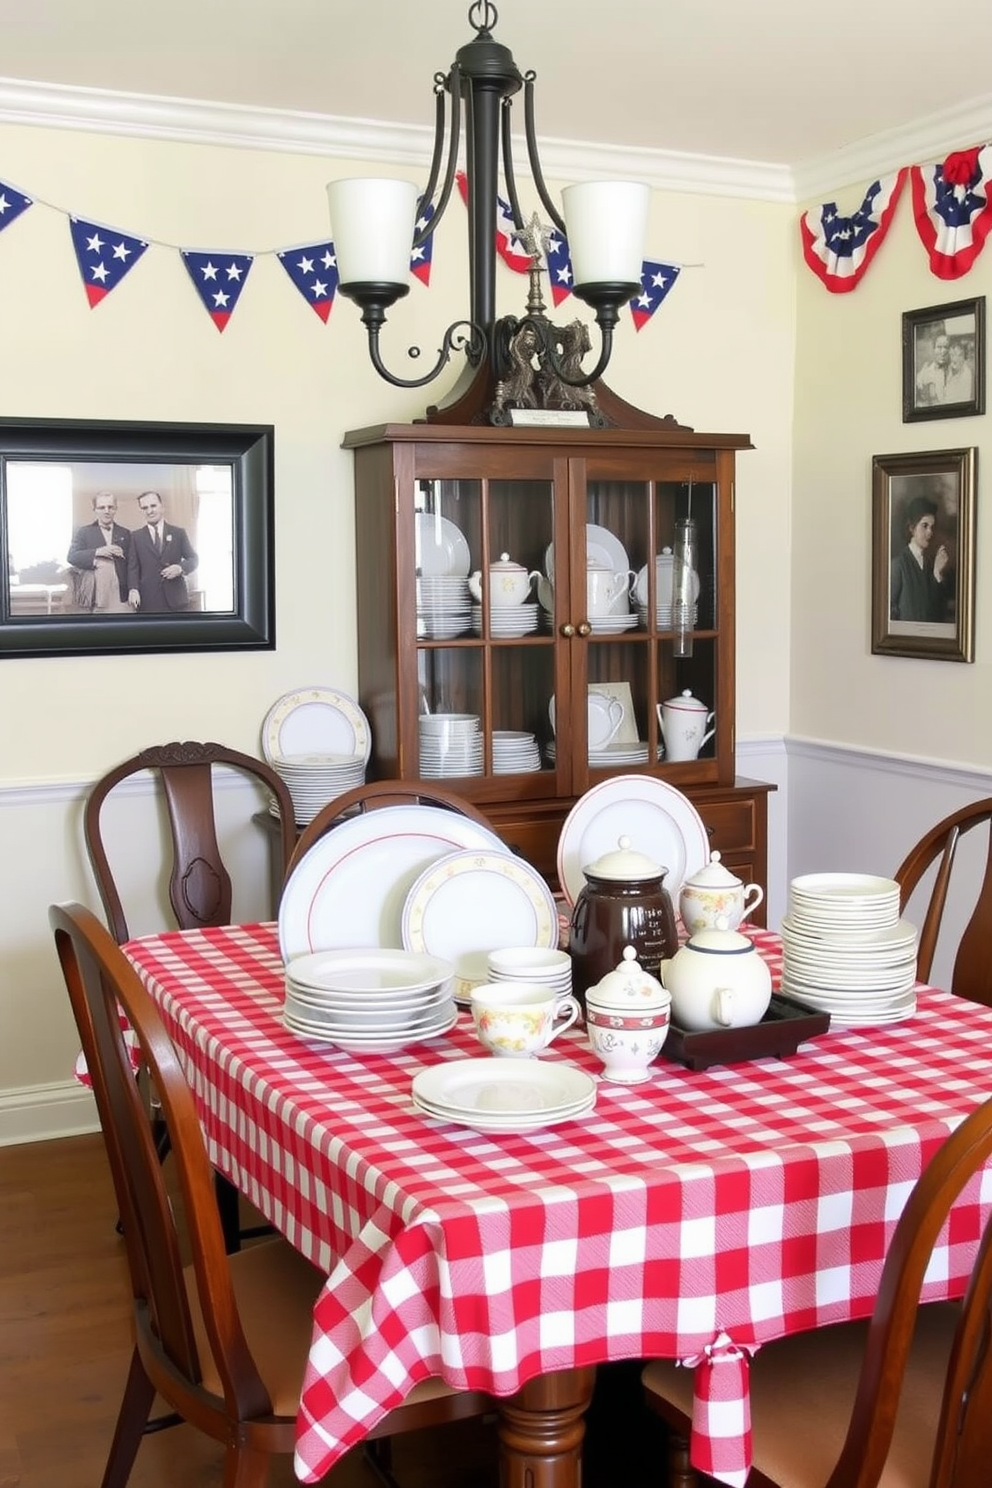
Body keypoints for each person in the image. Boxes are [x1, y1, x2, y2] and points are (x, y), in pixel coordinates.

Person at [127, 490, 198, 612]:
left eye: (153, 506)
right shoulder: (135, 536)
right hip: (148, 601)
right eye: (145, 508)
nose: (150, 511)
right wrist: (133, 589)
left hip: (176, 601)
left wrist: (180, 568)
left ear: (162, 506)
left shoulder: (178, 533)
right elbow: (133, 567)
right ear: (141, 511)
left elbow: (193, 559)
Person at [65, 491, 131, 613]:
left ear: (115, 509)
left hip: (121, 596)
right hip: (96, 597)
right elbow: (72, 557)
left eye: (110, 507)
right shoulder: (84, 532)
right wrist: (97, 552)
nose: (107, 511)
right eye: (102, 507)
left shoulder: (125, 533)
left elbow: (133, 565)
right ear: (95, 510)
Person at [890, 494, 950, 623]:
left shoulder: (931, 565)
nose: (930, 532)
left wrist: (937, 574)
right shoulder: (898, 565)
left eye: (932, 527)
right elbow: (889, 614)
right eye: (924, 526)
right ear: (912, 528)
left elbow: (937, 612)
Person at [915, 331, 949, 406]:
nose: (943, 351)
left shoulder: (954, 371)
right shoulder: (924, 372)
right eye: (939, 347)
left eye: (946, 347)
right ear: (933, 349)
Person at [941, 337, 973, 403]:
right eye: (952, 355)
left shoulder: (966, 373)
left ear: (964, 357)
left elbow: (963, 399)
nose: (954, 359)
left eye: (959, 355)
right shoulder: (948, 369)